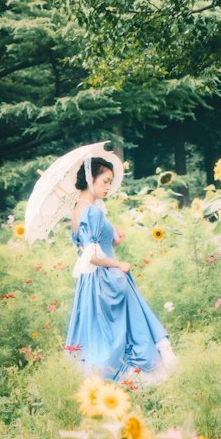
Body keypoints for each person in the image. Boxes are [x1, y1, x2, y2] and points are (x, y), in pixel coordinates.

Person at [65, 156, 177, 384]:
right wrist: (119, 264)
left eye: (110, 182)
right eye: (105, 181)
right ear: (90, 178)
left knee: (102, 331)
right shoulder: (92, 212)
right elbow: (93, 256)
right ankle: (130, 375)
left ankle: (106, 377)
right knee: (125, 328)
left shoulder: (78, 211)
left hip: (89, 284)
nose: (108, 187)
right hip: (105, 279)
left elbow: (92, 248)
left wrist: (114, 242)